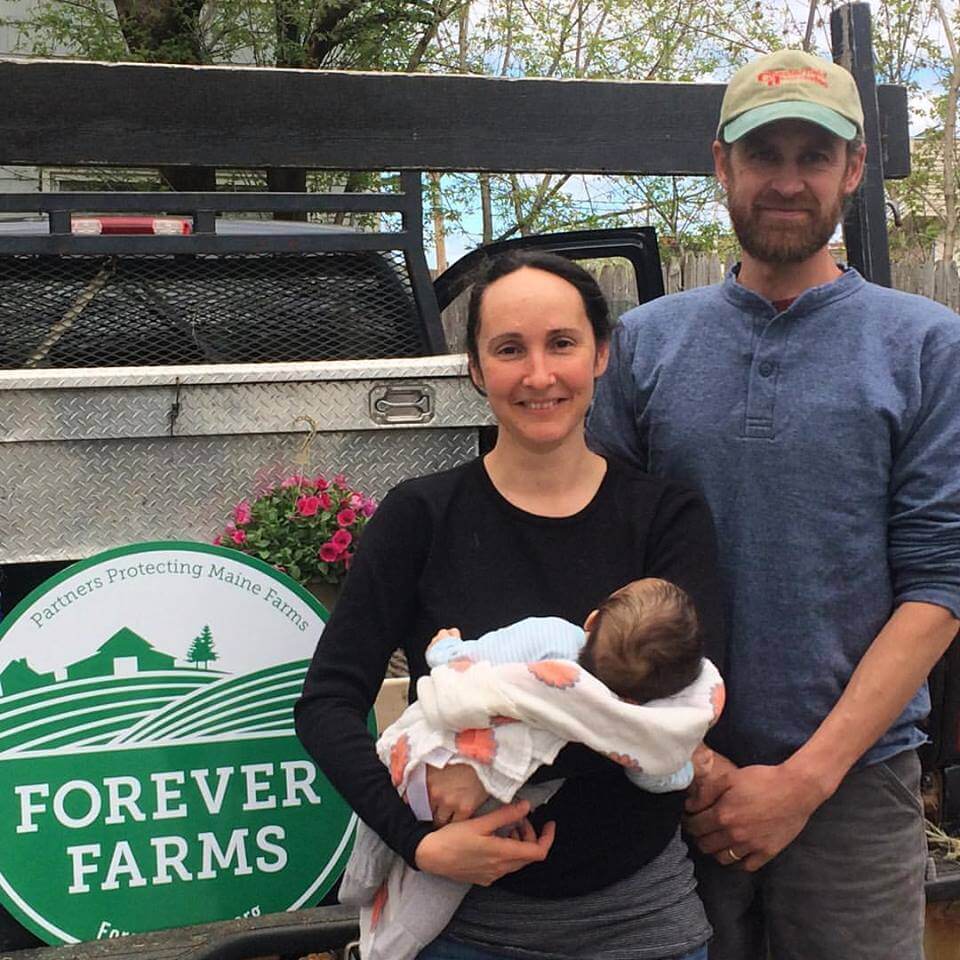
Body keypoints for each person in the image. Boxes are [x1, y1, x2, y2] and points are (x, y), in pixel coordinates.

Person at [587, 47, 960, 960]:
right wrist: (692, 760)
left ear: (853, 170)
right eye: (764, 155)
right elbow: (599, 557)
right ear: (722, 164)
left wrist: (801, 781)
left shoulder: (928, 347)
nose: (787, 181)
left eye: (813, 156)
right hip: (664, 780)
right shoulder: (641, 346)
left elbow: (940, 583)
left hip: (855, 787)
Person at [296, 250, 725, 960]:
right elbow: (325, 704)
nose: (538, 375)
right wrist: (421, 842)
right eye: (508, 349)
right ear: (474, 368)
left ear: (601, 354)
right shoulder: (420, 517)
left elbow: (686, 702)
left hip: (644, 928)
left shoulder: (665, 516)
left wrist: (487, 762)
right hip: (463, 934)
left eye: (562, 343)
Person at [340, 579, 725, 960]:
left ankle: (357, 882)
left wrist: (445, 646)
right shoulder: (633, 722)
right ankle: (389, 947)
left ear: (591, 621)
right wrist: (687, 768)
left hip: (432, 751)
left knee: (386, 813)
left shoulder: (550, 637)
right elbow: (654, 774)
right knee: (438, 890)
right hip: (503, 799)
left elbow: (467, 661)